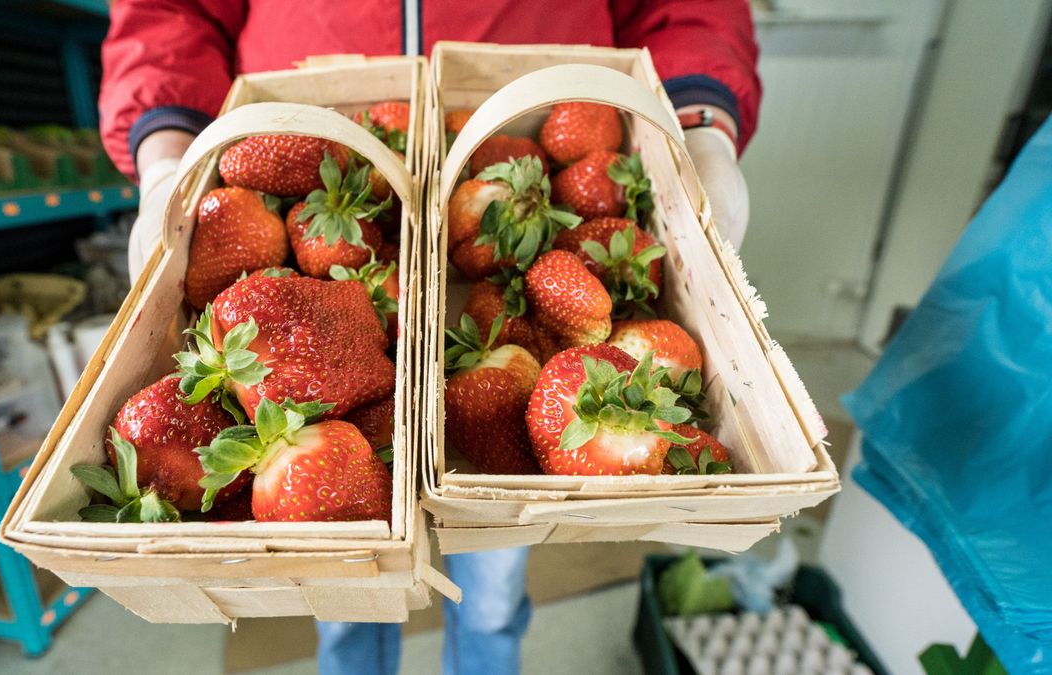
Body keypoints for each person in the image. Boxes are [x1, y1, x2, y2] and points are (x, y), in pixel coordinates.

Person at [99, 3, 761, 674]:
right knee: (344, 588)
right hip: (308, 113)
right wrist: (168, 157)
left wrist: (700, 130)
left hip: (522, 95)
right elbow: (165, 14)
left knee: (493, 583)